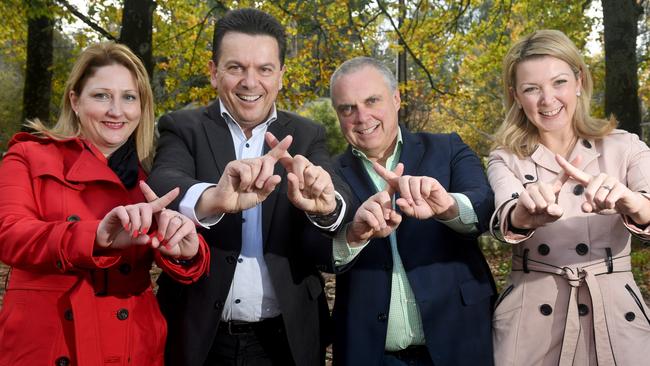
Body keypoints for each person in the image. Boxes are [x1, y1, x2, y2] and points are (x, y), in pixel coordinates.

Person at [147, 8, 353, 366]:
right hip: (200, 338)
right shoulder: (183, 127)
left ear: (281, 76)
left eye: (264, 69)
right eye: (236, 67)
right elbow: (165, 179)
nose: (250, 81)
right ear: (214, 73)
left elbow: (337, 192)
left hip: (287, 340)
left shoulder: (306, 134)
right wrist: (213, 198)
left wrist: (328, 204)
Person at [0, 42, 210, 366]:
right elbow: (9, 234)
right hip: (47, 340)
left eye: (129, 97)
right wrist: (94, 236)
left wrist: (186, 251)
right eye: (101, 96)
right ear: (75, 100)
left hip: (132, 344)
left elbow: (179, 261)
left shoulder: (151, 176)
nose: (116, 110)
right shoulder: (29, 155)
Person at [488, 29, 650, 366]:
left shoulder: (625, 146)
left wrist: (633, 204)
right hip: (531, 321)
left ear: (579, 81)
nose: (547, 100)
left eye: (559, 82)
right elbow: (507, 213)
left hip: (616, 318)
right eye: (532, 89)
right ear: (515, 95)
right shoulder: (506, 157)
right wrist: (524, 214)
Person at [323, 56, 495, 365]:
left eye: (372, 100)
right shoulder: (330, 173)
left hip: (459, 340)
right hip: (370, 352)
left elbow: (484, 204)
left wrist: (448, 207)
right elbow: (314, 248)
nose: (362, 117)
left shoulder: (448, 148)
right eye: (347, 108)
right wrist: (353, 234)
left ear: (396, 98)